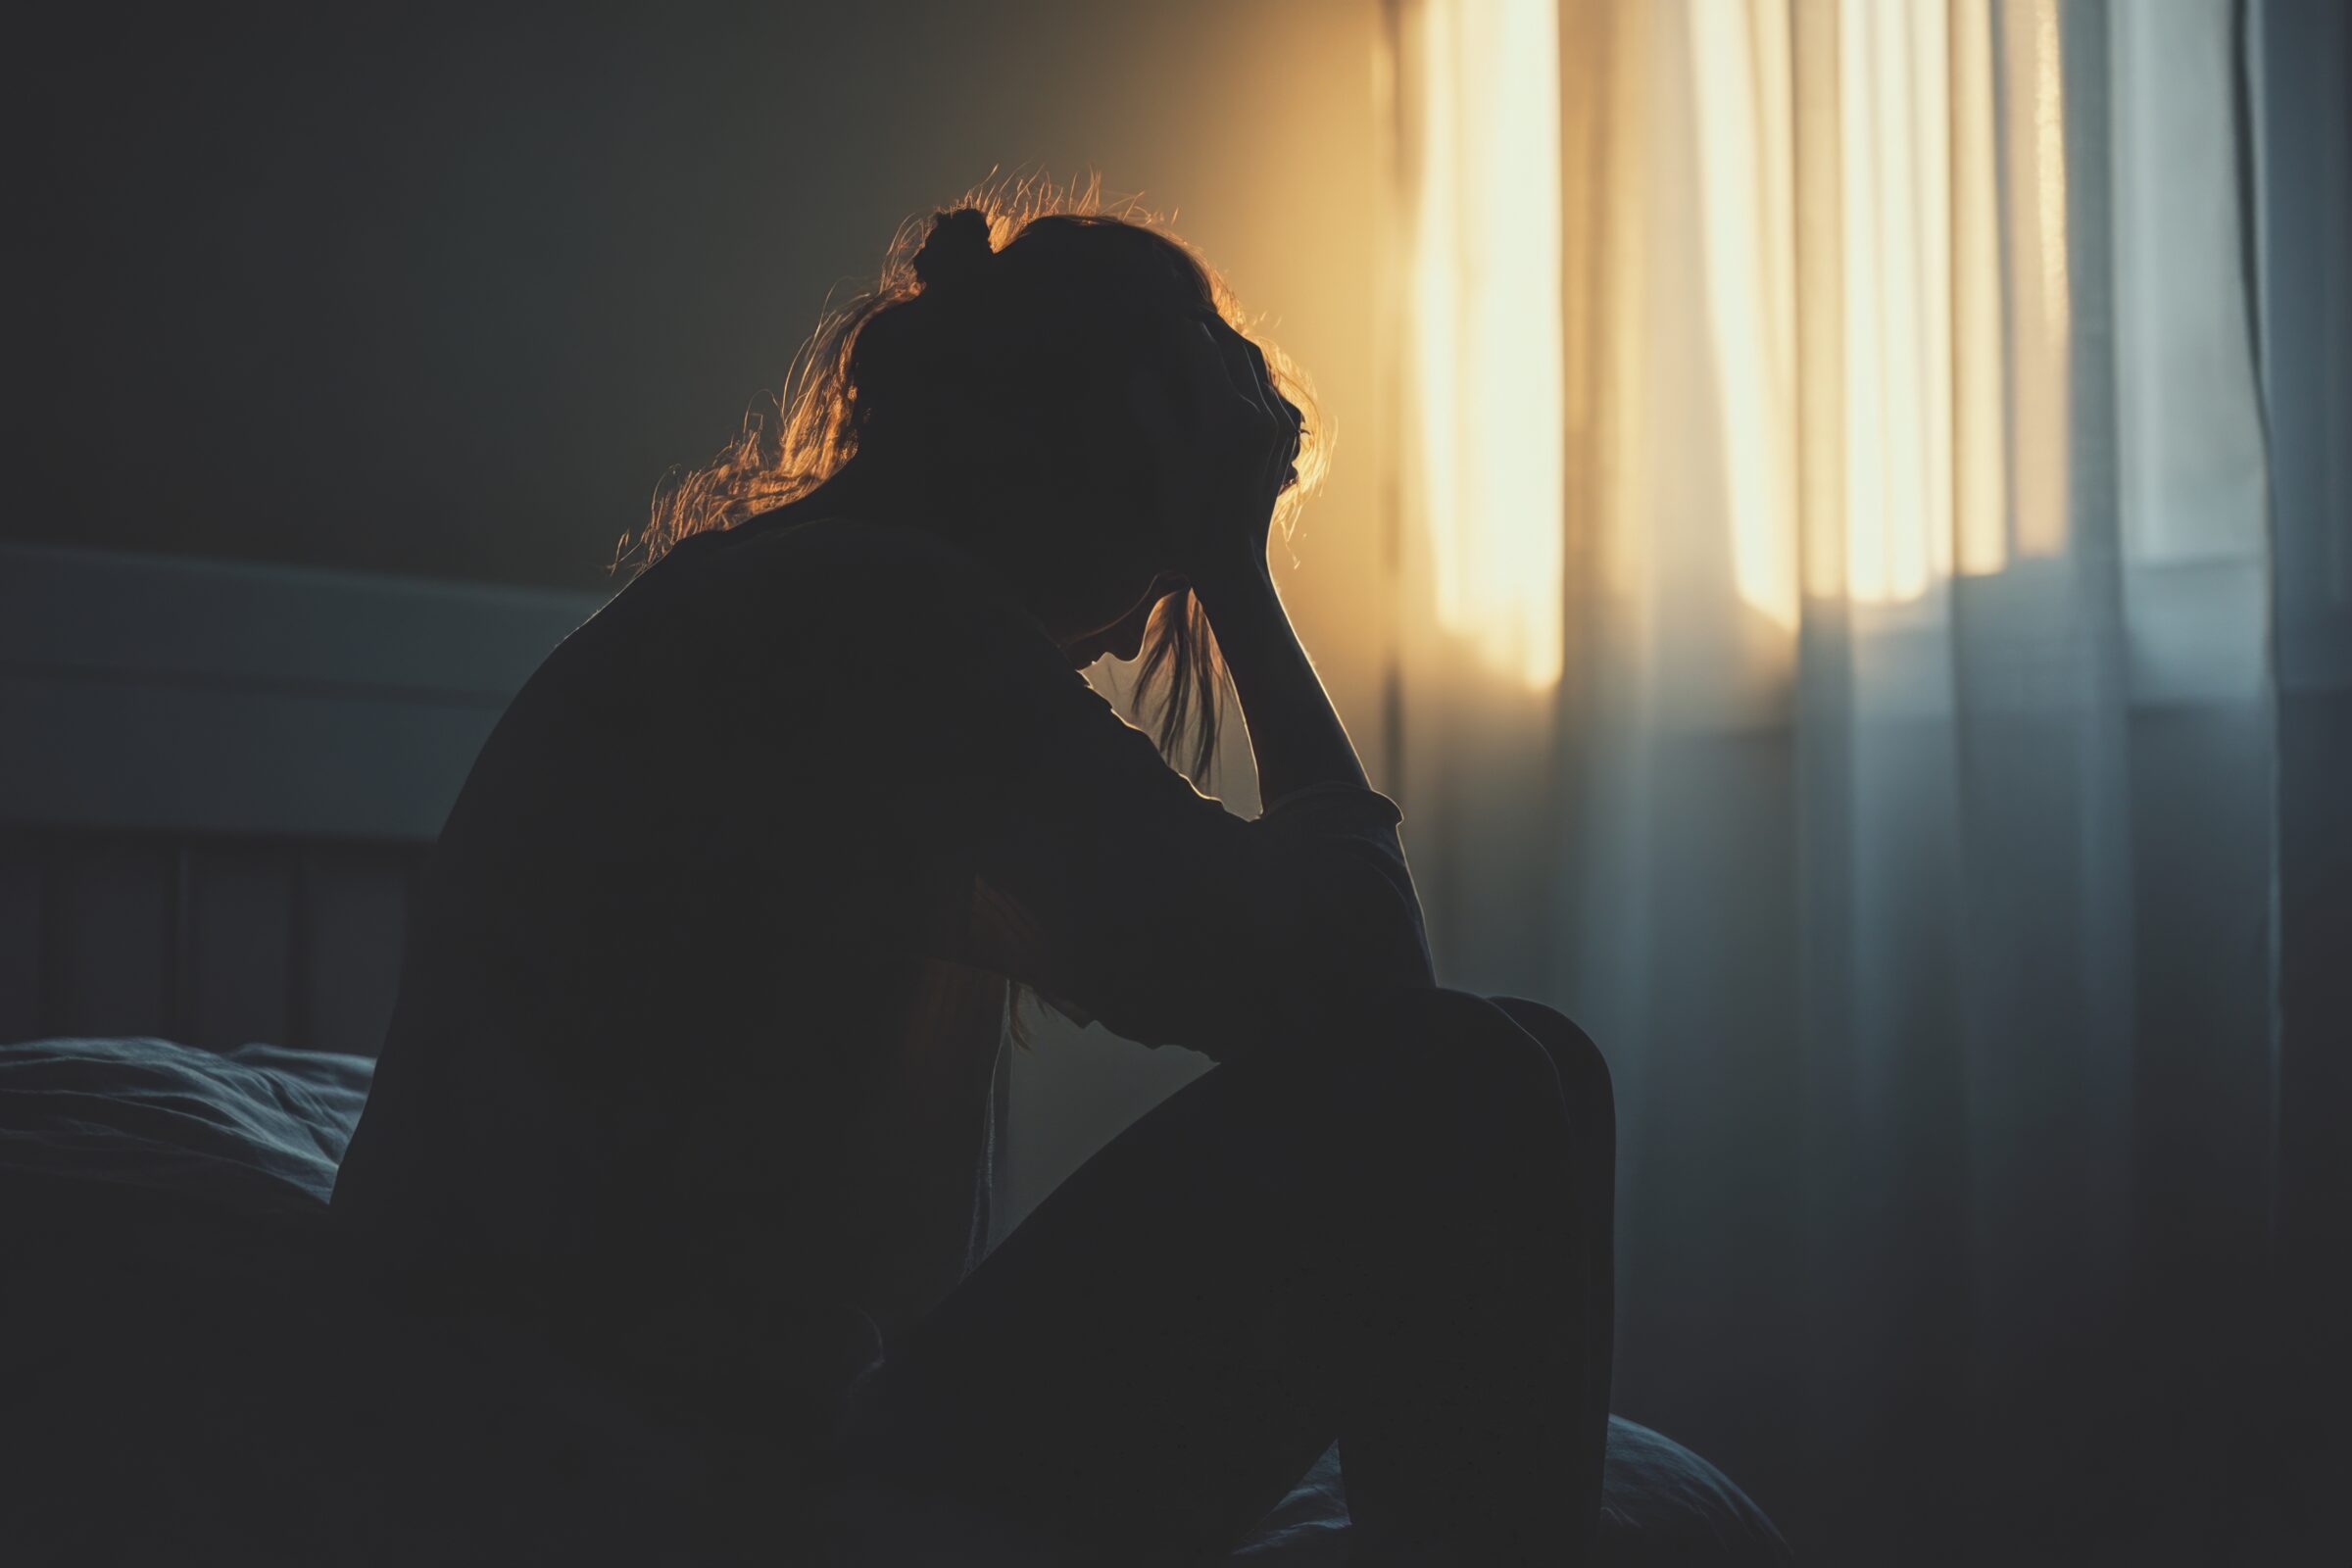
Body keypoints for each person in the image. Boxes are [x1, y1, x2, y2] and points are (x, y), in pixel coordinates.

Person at [329, 190, 1614, 1565]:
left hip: (638, 1439)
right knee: (1476, 1078)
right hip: (630, 1480)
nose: (1129, 643)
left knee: (1541, 1064)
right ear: (1097, 461)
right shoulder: (874, 628)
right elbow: (1370, 1000)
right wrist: (1238, 574)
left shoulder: (793, 601)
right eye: (1159, 564)